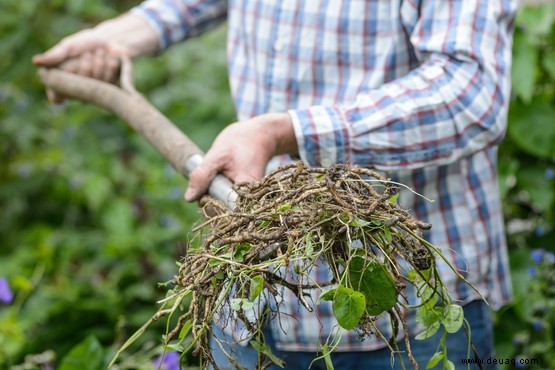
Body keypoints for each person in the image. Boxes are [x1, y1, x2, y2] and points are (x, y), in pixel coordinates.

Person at [33, 1, 517, 369]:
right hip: (251, 298)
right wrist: (127, 33)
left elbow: (470, 93)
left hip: (408, 314)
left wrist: (287, 132)